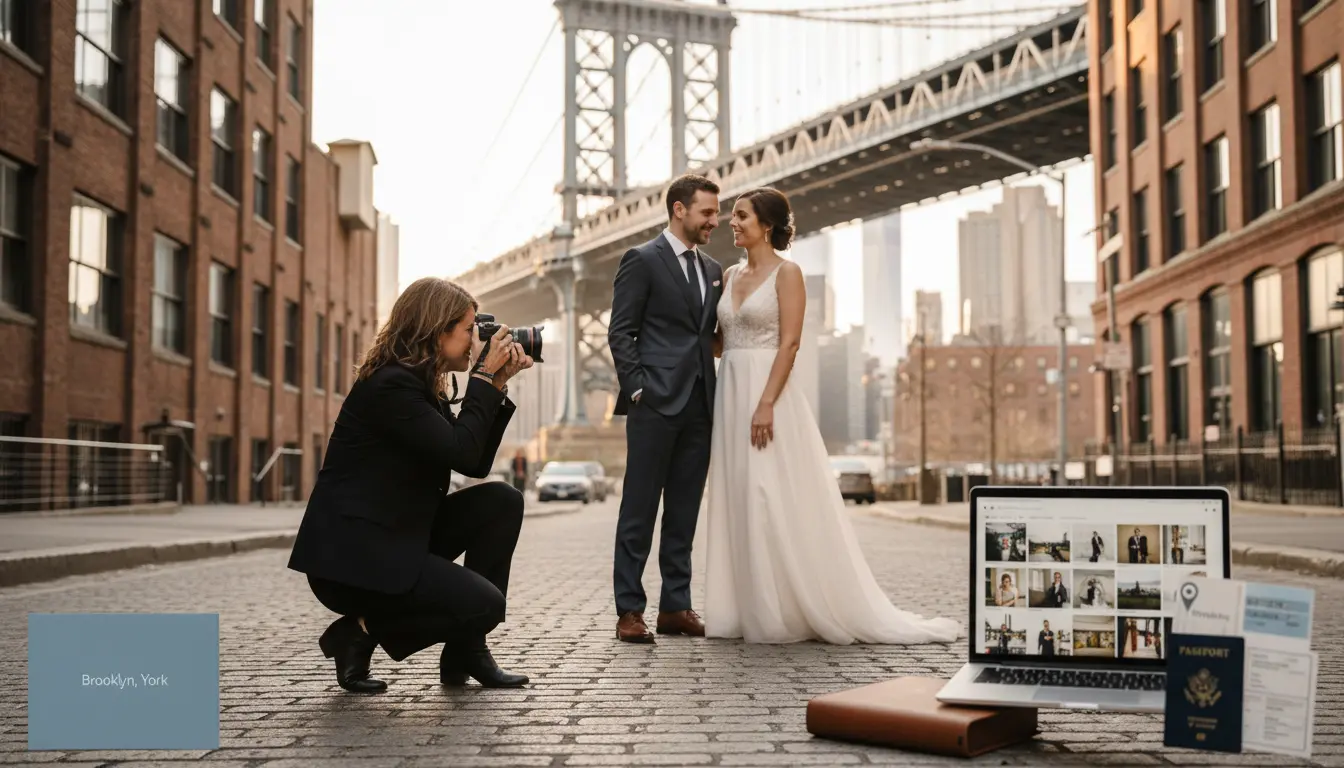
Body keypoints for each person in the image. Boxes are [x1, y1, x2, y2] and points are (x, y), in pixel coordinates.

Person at [702, 186, 960, 645]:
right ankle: (746, 607)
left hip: (769, 394)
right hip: (731, 390)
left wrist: (765, 403)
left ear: (766, 225)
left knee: (769, 492)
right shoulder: (727, 274)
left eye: (741, 215)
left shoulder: (788, 273)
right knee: (740, 492)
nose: (732, 223)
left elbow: (790, 343)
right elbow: (721, 341)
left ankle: (783, 609)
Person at [287, 277, 534, 693]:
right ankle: (360, 631)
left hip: (396, 536)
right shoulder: (392, 385)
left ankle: (463, 653)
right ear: (438, 330)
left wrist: (493, 384)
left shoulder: (423, 385)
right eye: (470, 328)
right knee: (484, 604)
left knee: (501, 501)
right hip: (354, 559)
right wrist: (483, 376)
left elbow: (473, 461)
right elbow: (461, 451)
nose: (477, 339)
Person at [607, 173, 725, 643]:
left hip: (700, 404)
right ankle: (629, 610)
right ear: (679, 209)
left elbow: (707, 335)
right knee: (639, 508)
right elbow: (621, 331)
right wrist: (638, 389)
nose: (714, 221)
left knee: (684, 510)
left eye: (718, 213)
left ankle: (676, 606)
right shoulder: (642, 260)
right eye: (707, 212)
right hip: (654, 403)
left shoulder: (714, 268)